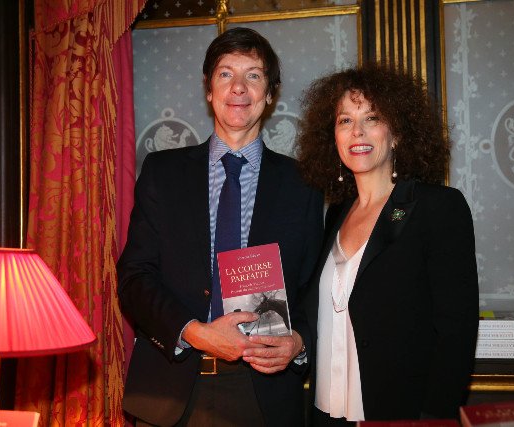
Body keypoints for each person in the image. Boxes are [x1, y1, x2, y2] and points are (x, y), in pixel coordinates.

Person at [117, 27, 323, 427]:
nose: (239, 87)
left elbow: (313, 288)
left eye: (253, 75)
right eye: (226, 74)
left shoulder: (303, 185)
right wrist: (194, 332)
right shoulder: (163, 173)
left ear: (270, 93)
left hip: (263, 395)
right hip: (170, 390)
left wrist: (299, 342)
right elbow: (134, 277)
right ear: (209, 89)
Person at [297, 63, 479, 425]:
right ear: (333, 138)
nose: (357, 131)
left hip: (398, 414)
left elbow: (456, 330)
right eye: (345, 120)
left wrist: (433, 418)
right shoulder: (336, 215)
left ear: (397, 134)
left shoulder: (437, 207)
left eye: (372, 118)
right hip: (325, 412)